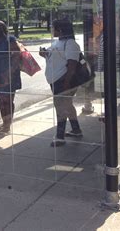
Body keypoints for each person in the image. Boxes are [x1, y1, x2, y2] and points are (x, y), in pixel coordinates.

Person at [40, 19, 83, 147]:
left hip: (63, 81)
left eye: (54, 28)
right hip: (55, 80)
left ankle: (60, 136)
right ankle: (76, 130)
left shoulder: (71, 44)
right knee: (67, 106)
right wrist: (44, 54)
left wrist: (67, 82)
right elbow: (55, 58)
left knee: (61, 108)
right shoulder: (58, 42)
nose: (52, 30)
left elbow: (72, 65)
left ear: (61, 30)